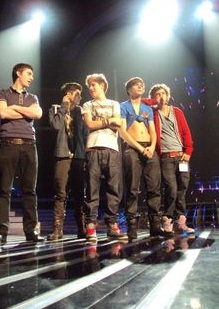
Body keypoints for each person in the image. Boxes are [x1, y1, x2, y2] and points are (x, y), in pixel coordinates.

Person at [0, 63, 44, 245]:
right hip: (8, 144)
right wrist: (25, 112)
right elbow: (3, 113)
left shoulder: (33, 97)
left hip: (29, 145)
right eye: (28, 73)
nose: (31, 77)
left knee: (30, 190)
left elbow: (37, 114)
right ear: (18, 74)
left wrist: (16, 108)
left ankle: (31, 231)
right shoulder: (3, 93)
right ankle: (1, 232)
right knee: (4, 189)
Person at [82, 73, 128, 242]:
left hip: (112, 149)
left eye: (94, 85)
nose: (91, 88)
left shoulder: (114, 104)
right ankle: (91, 225)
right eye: (89, 86)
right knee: (92, 189)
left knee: (114, 189)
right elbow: (90, 124)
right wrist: (109, 121)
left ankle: (112, 225)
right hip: (93, 149)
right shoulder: (87, 104)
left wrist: (101, 121)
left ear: (103, 85)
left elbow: (119, 123)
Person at [120, 77, 165, 241]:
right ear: (129, 89)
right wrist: (139, 148)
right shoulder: (123, 106)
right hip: (133, 149)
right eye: (136, 85)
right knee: (132, 188)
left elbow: (153, 130)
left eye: (141, 84)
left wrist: (152, 147)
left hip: (149, 148)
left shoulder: (147, 108)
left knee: (154, 187)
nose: (140, 86)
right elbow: (122, 132)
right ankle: (131, 226)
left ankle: (155, 225)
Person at [149, 83, 194, 235]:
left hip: (181, 156)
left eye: (163, 93)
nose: (161, 96)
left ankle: (180, 221)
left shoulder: (177, 111)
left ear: (168, 96)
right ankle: (167, 219)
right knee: (171, 189)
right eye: (157, 94)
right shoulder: (153, 112)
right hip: (166, 158)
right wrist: (153, 101)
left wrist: (188, 151)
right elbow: (141, 101)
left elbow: (186, 132)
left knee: (182, 188)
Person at [47, 82, 88, 240]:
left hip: (78, 156)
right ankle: (58, 230)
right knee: (60, 193)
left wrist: (84, 155)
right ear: (69, 94)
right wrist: (64, 105)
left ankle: (82, 228)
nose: (80, 97)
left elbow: (85, 134)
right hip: (62, 156)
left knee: (80, 194)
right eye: (77, 94)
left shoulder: (80, 111)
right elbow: (56, 126)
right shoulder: (56, 109)